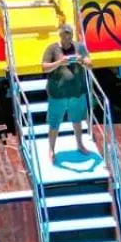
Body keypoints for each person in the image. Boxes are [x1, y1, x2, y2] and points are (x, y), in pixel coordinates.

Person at [42, 23, 90, 162]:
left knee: (77, 120)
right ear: (60, 35)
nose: (66, 36)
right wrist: (59, 63)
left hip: (77, 92)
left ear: (72, 35)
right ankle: (51, 149)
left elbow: (90, 64)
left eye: (68, 34)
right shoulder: (52, 48)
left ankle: (80, 144)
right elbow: (44, 68)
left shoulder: (79, 47)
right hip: (57, 94)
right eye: (64, 34)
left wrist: (81, 60)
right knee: (54, 123)